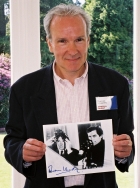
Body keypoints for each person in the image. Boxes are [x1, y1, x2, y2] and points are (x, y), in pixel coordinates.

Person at [3, 3, 134, 188]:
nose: (72, 50)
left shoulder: (115, 84)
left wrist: (124, 152)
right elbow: (12, 140)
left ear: (88, 40)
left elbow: (126, 136)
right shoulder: (24, 89)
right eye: (63, 41)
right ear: (50, 44)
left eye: (79, 39)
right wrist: (22, 153)